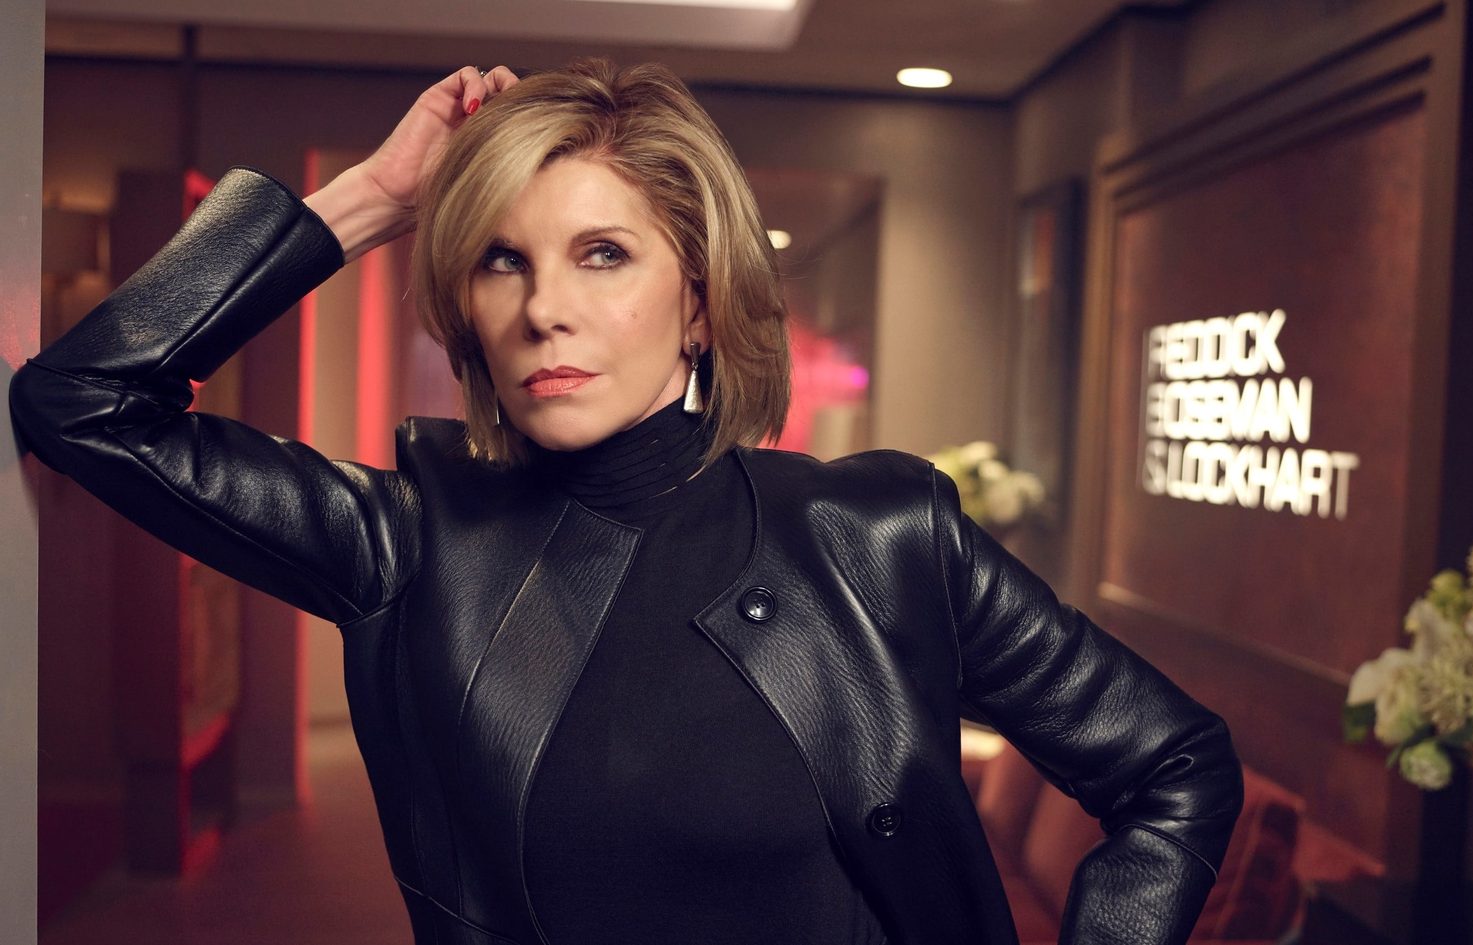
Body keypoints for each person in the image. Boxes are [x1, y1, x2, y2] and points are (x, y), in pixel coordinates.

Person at [12, 59, 1241, 945]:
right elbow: (81, 403)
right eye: (502, 259)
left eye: (603, 254)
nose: (546, 307)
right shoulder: (411, 544)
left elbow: (1175, 764)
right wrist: (373, 201)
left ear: (698, 301)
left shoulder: (878, 536)